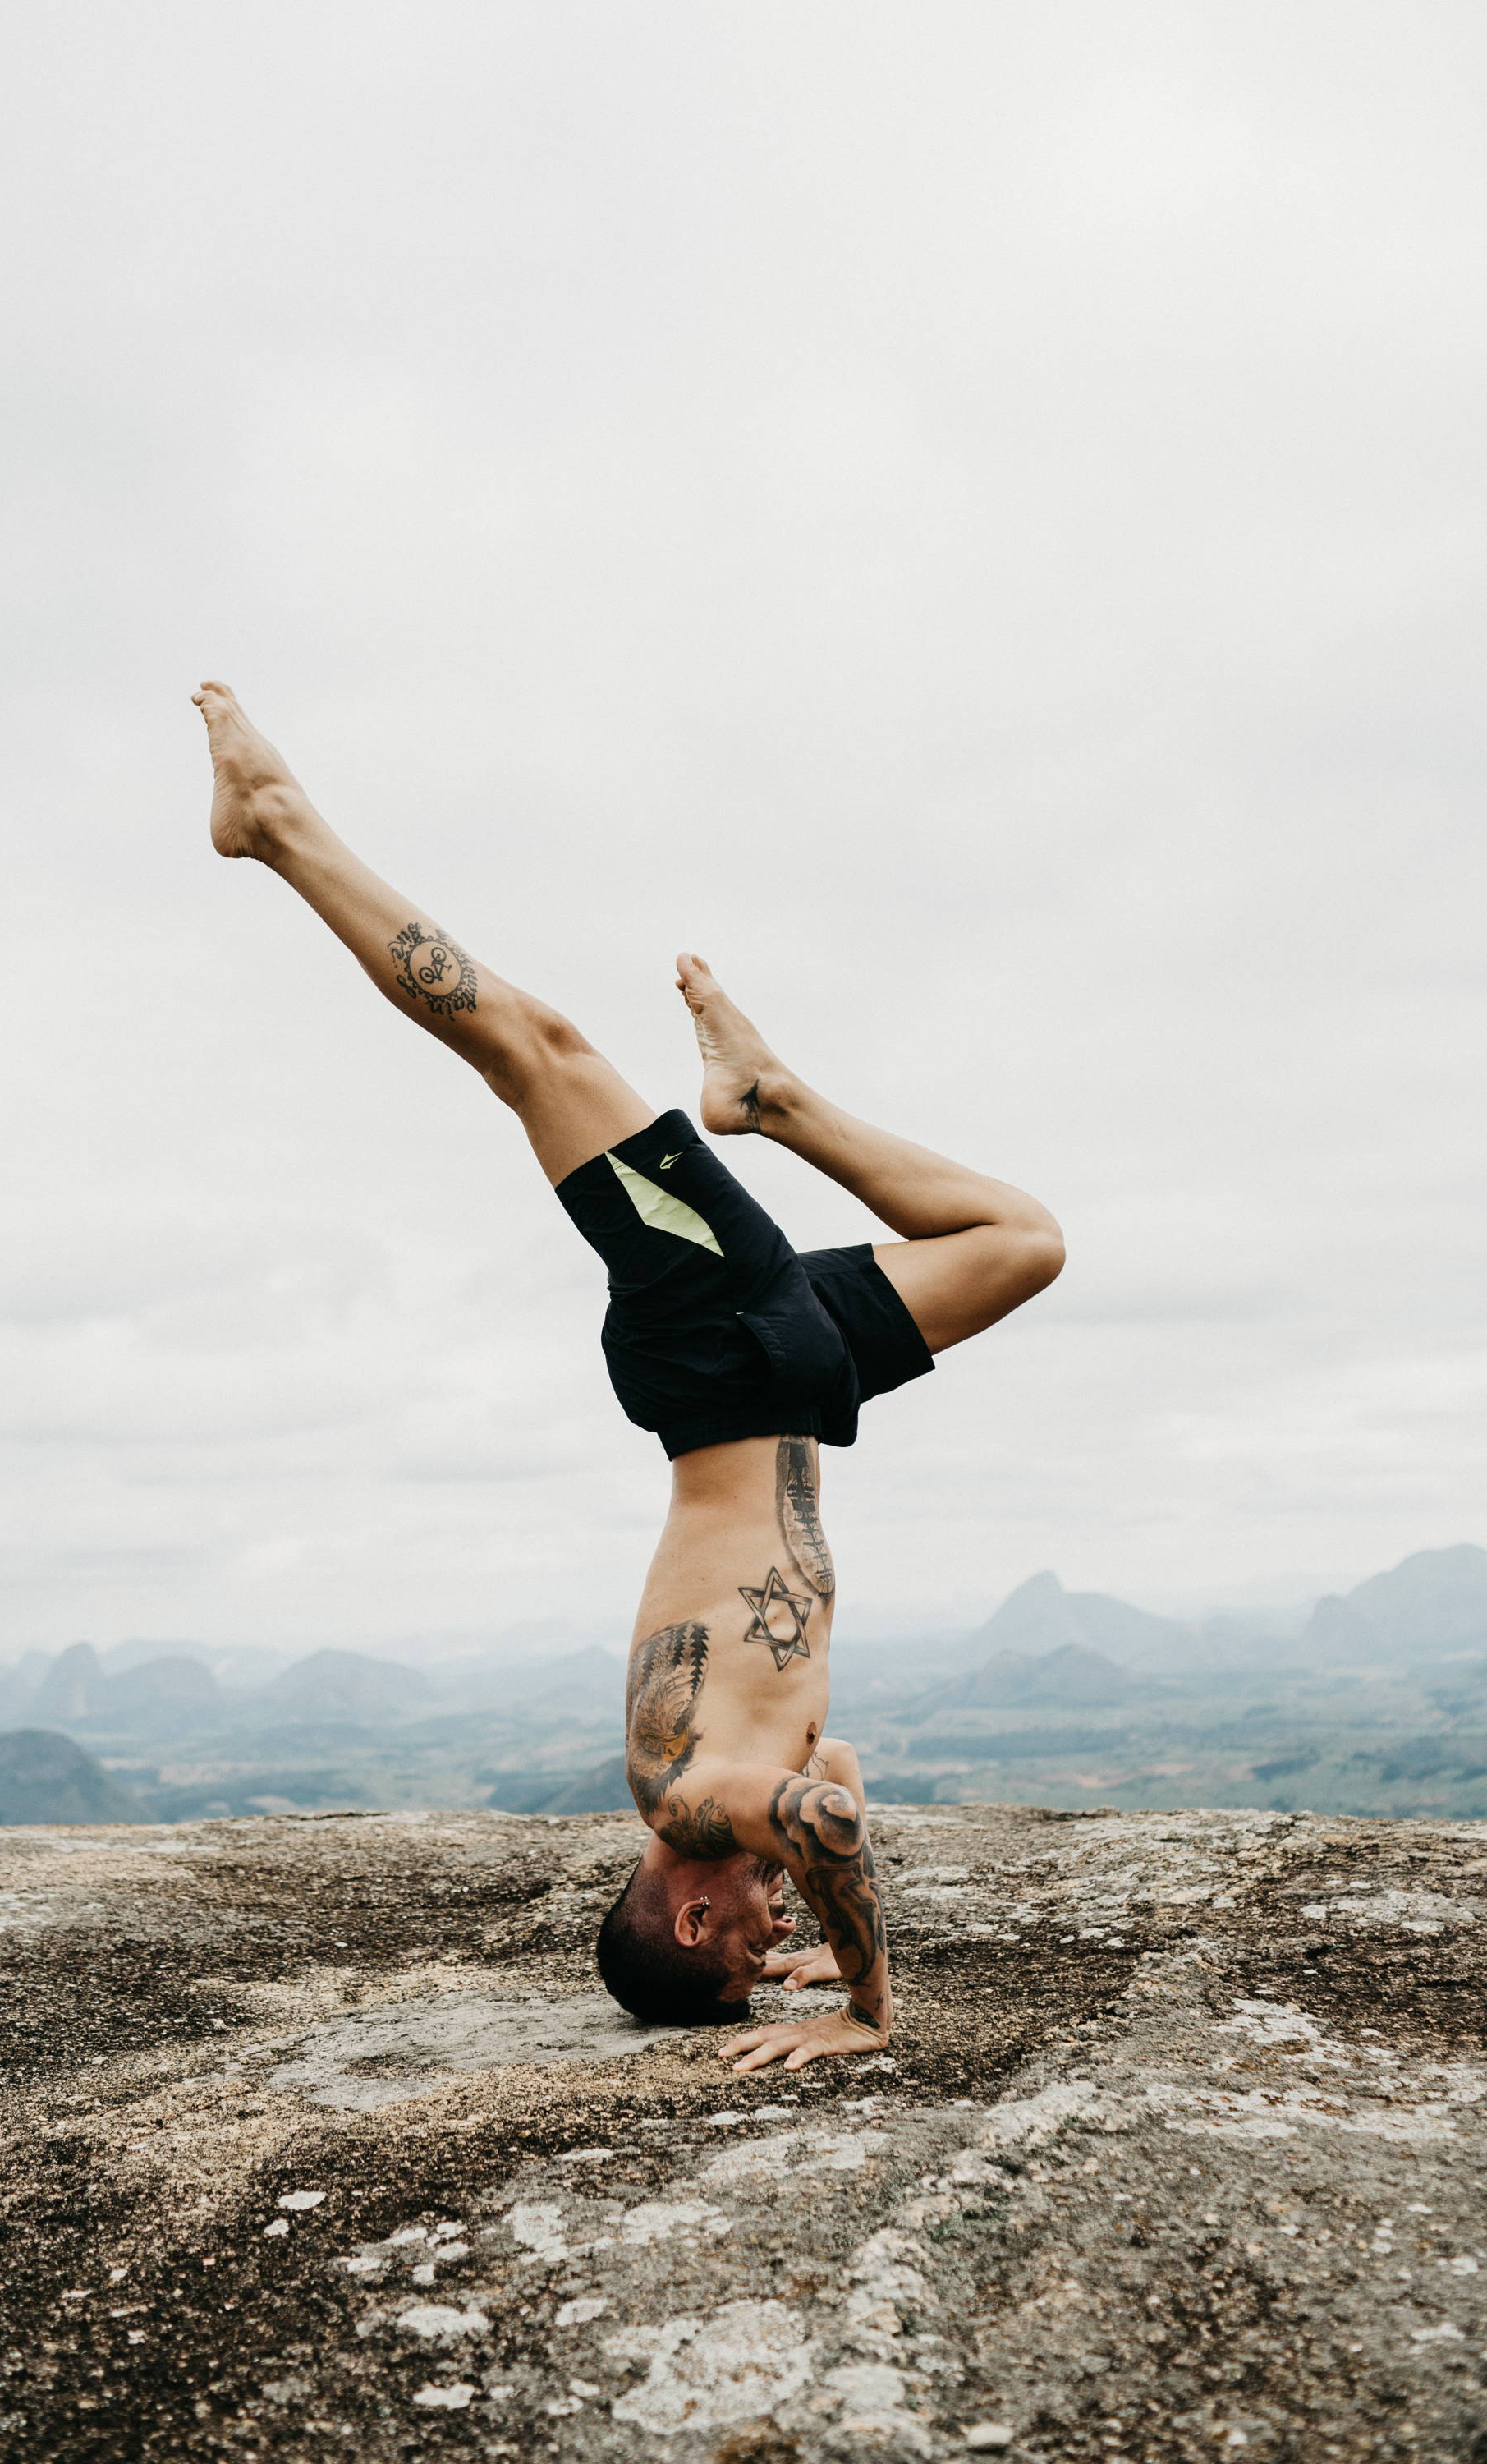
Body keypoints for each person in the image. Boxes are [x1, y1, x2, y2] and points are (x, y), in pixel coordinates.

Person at [195, 680, 1064, 2072]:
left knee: (537, 1052)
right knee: (1020, 1244)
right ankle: (767, 1103)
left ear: (697, 1911)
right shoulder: (720, 1797)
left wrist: (863, 2004)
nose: (766, 1928)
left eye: (743, 1945)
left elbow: (820, 1828)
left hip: (719, 1350)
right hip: (788, 1377)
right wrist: (822, 1933)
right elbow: (831, 1784)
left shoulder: (689, 1795)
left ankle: (281, 827)